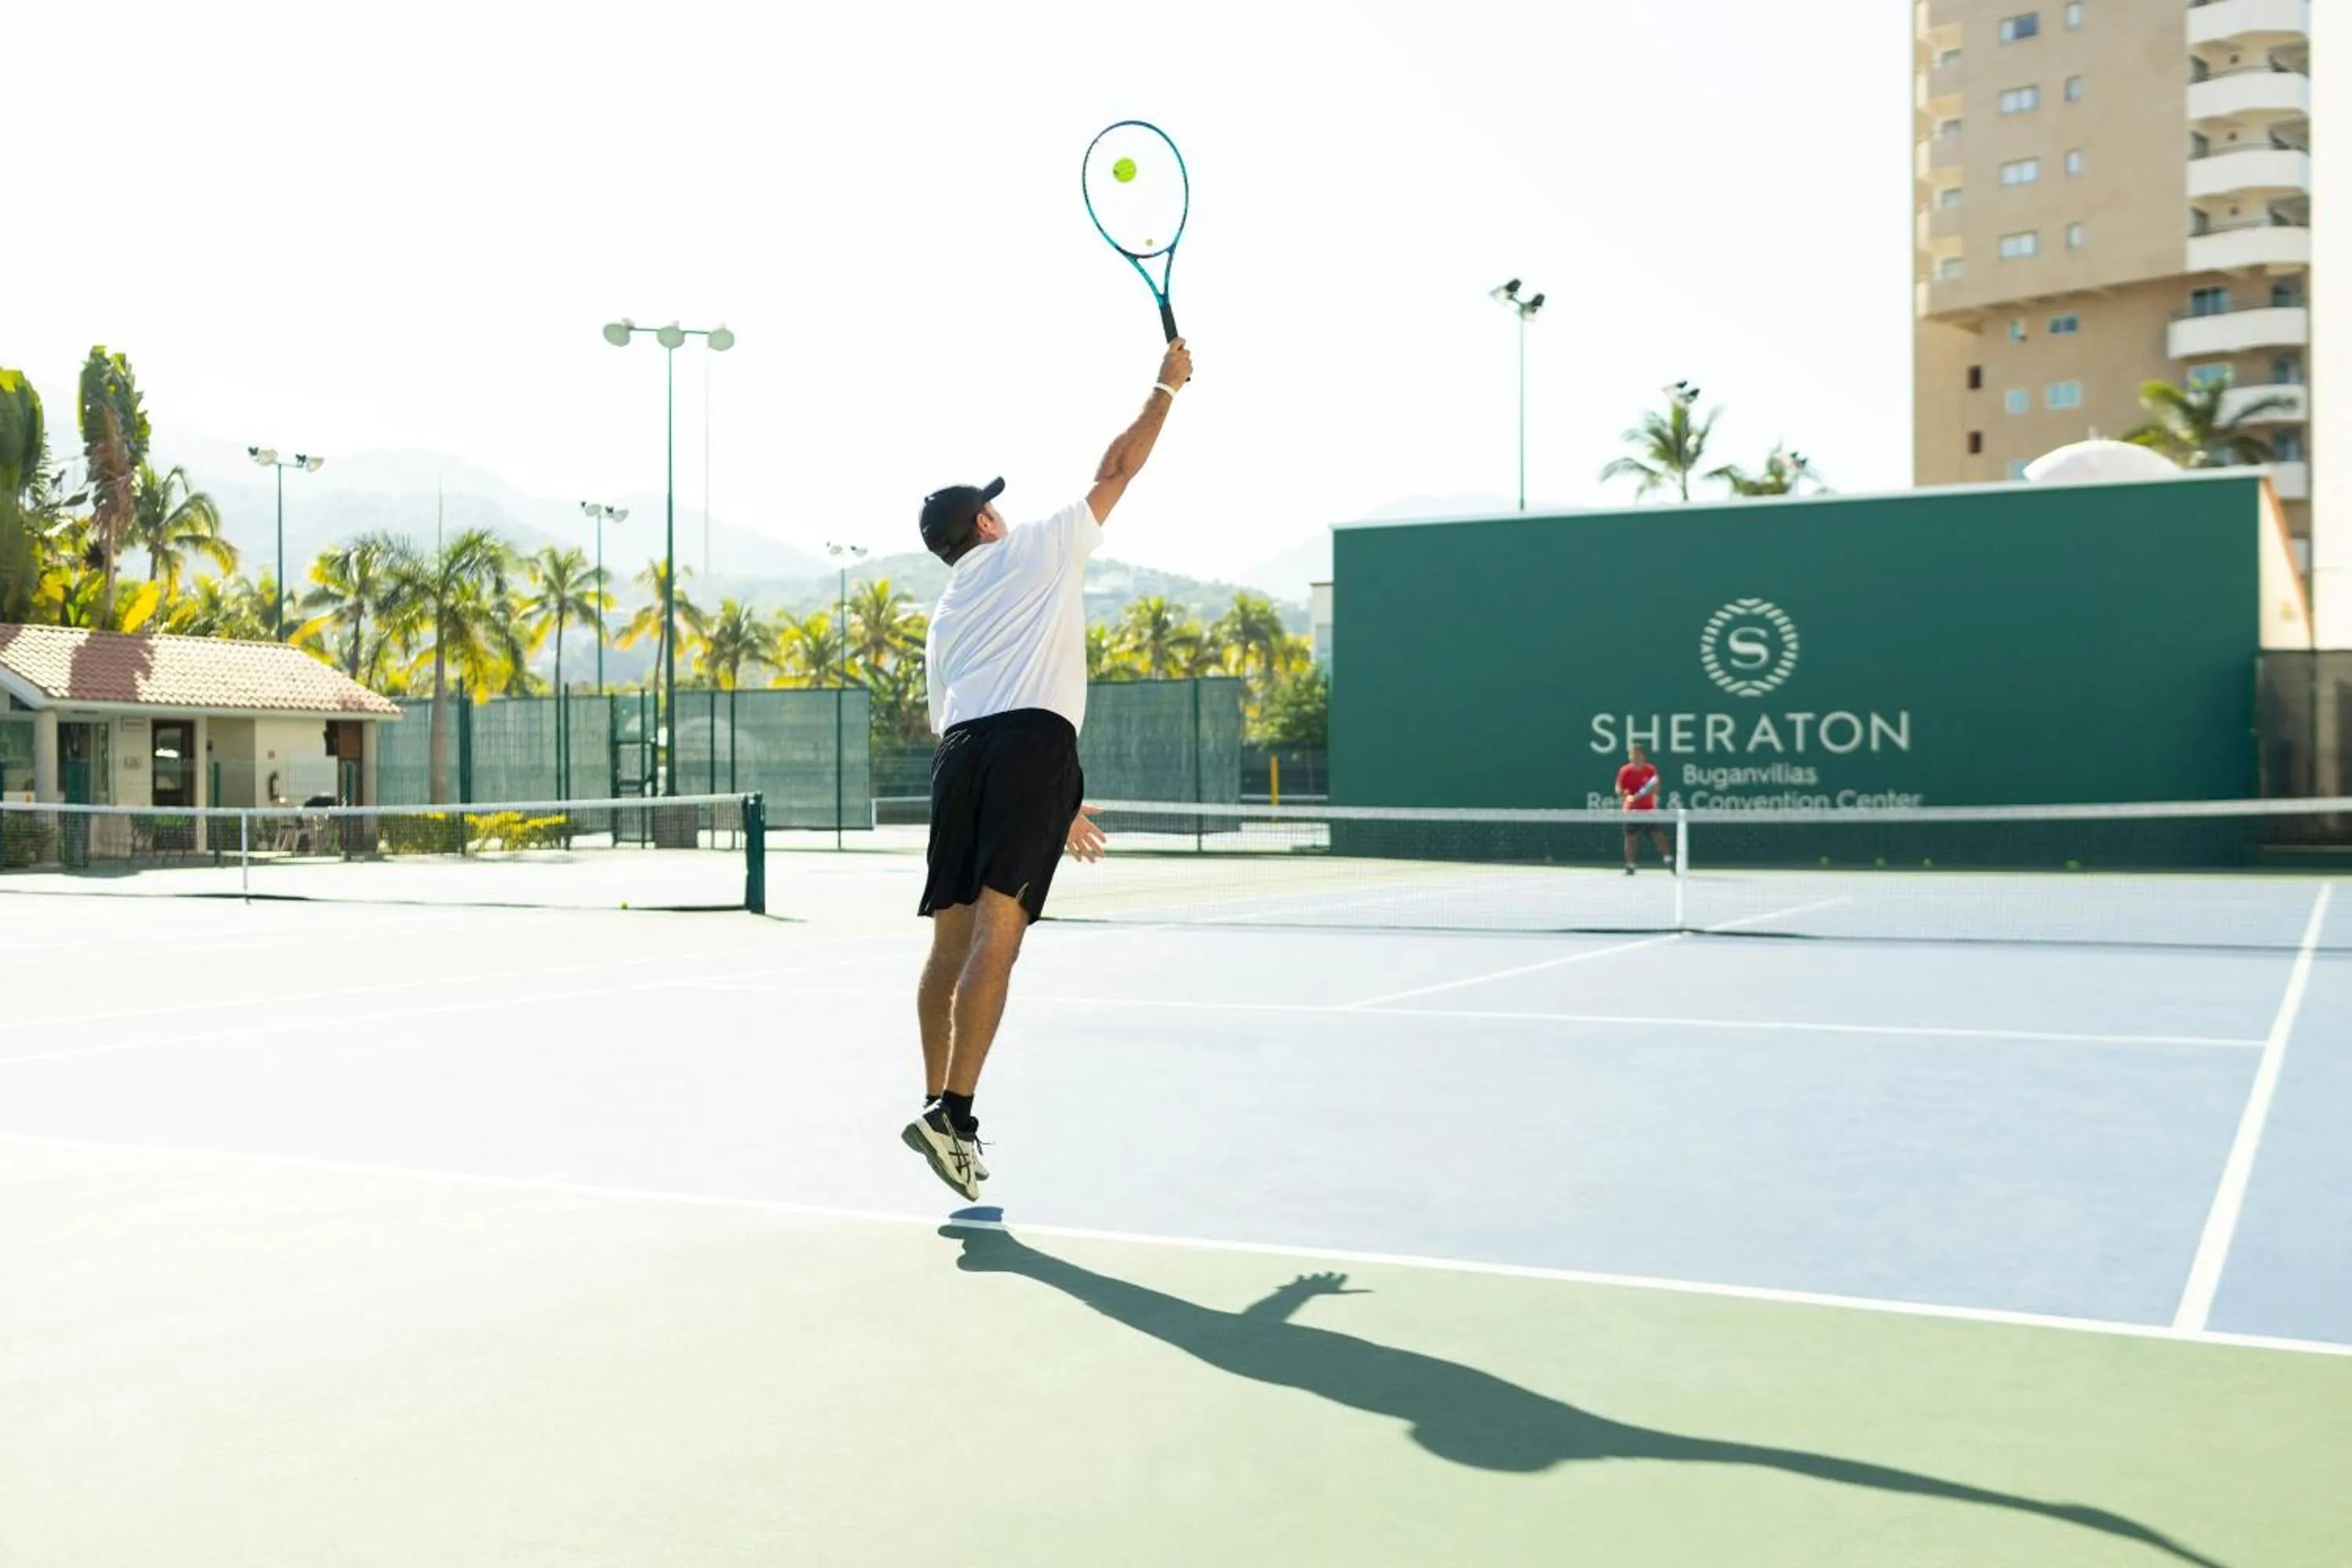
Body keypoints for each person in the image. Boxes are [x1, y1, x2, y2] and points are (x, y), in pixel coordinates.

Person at [902, 336, 1194, 1200]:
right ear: (985, 524)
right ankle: (956, 1110)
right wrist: (1166, 385)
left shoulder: (945, 615)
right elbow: (1120, 465)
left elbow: (955, 720)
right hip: (1031, 747)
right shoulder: (1038, 545)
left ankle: (933, 1104)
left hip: (962, 758)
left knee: (947, 940)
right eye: (992, 505)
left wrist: (1052, 801)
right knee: (1001, 933)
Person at [1616, 742, 1672, 875]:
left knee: (1658, 835)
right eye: (1631, 753)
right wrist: (1627, 795)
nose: (1632, 756)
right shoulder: (1624, 771)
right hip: (1630, 811)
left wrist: (1642, 795)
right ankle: (1630, 865)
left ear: (1642, 755)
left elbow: (1656, 787)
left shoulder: (1650, 770)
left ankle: (1669, 860)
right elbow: (1619, 788)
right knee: (1630, 838)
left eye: (1636, 753)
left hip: (1648, 810)